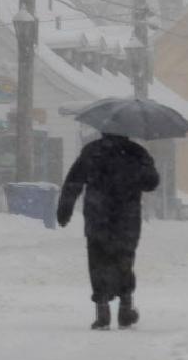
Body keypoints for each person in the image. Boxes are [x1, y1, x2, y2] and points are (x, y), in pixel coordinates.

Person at [56, 132, 160, 330]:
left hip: (97, 217)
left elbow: (73, 182)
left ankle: (102, 309)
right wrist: (137, 172)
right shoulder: (137, 153)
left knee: (98, 261)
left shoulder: (92, 151)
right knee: (124, 260)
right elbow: (152, 183)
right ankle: (125, 308)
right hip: (126, 219)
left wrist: (64, 209)